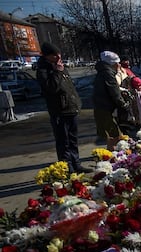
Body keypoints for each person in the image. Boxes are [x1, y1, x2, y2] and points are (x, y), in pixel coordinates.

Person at [36, 42, 84, 173]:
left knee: (73, 139)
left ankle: (77, 163)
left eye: (59, 54)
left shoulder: (60, 66)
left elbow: (69, 88)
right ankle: (67, 167)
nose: (58, 57)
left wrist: (76, 103)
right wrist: (57, 72)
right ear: (47, 56)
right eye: (54, 55)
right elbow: (51, 88)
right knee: (64, 141)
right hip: (59, 111)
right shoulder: (43, 70)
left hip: (70, 108)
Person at [92, 50, 128, 147]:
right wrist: (123, 104)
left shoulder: (103, 72)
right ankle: (112, 157)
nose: (119, 65)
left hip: (102, 107)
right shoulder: (108, 74)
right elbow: (113, 91)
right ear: (112, 64)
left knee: (111, 135)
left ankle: (111, 154)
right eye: (118, 63)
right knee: (114, 135)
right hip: (104, 109)